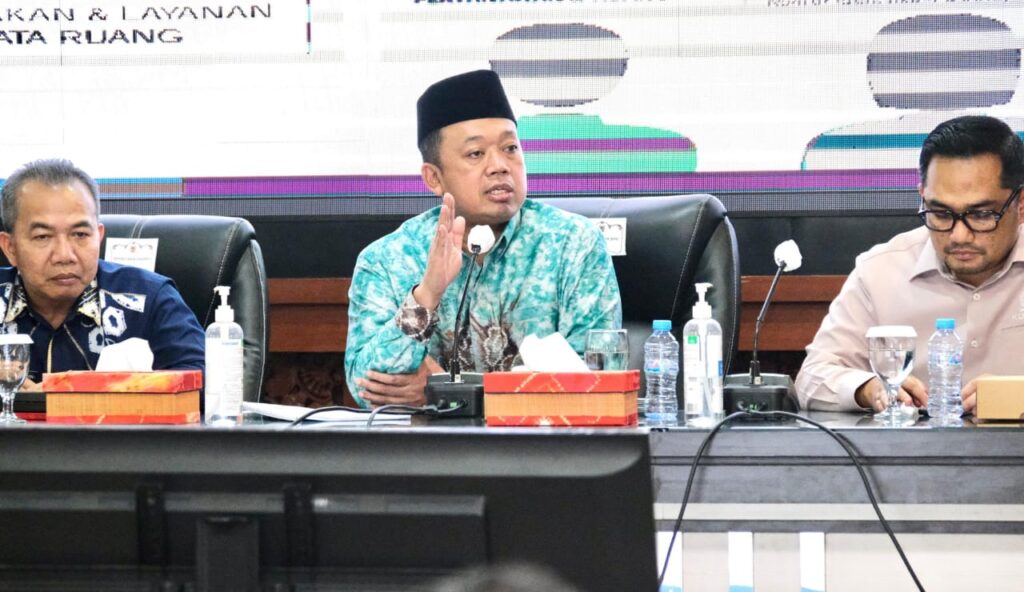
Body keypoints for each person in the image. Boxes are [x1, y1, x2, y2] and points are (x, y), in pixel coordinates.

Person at [345, 70, 622, 408]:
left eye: (510, 148)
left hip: (544, 441)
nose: (500, 166)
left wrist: (449, 392)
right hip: (427, 443)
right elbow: (366, 386)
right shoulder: (387, 259)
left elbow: (597, 384)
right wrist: (426, 295)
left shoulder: (573, 244)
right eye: (476, 154)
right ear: (433, 178)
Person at [796, 115, 1024, 413]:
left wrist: (1013, 396)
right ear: (923, 197)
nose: (959, 235)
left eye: (981, 215)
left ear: (1021, 205)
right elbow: (812, 377)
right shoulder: (880, 272)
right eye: (941, 213)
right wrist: (868, 388)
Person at [0, 159, 204, 386]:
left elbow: (205, 384)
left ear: (98, 237)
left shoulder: (149, 300)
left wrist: (88, 393)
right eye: (42, 237)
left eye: (80, 234)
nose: (64, 255)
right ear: (10, 248)